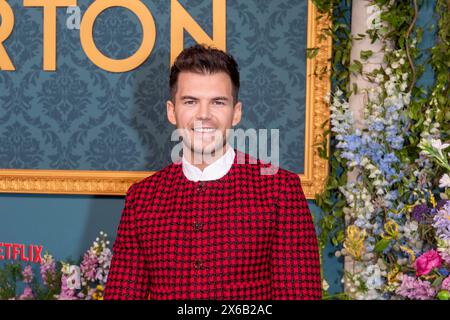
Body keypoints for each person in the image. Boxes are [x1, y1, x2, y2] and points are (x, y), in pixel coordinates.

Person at [104, 44, 322, 300]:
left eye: (218, 102)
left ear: (236, 112)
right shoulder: (142, 198)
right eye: (190, 101)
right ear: (171, 111)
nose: (204, 115)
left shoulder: (279, 189)